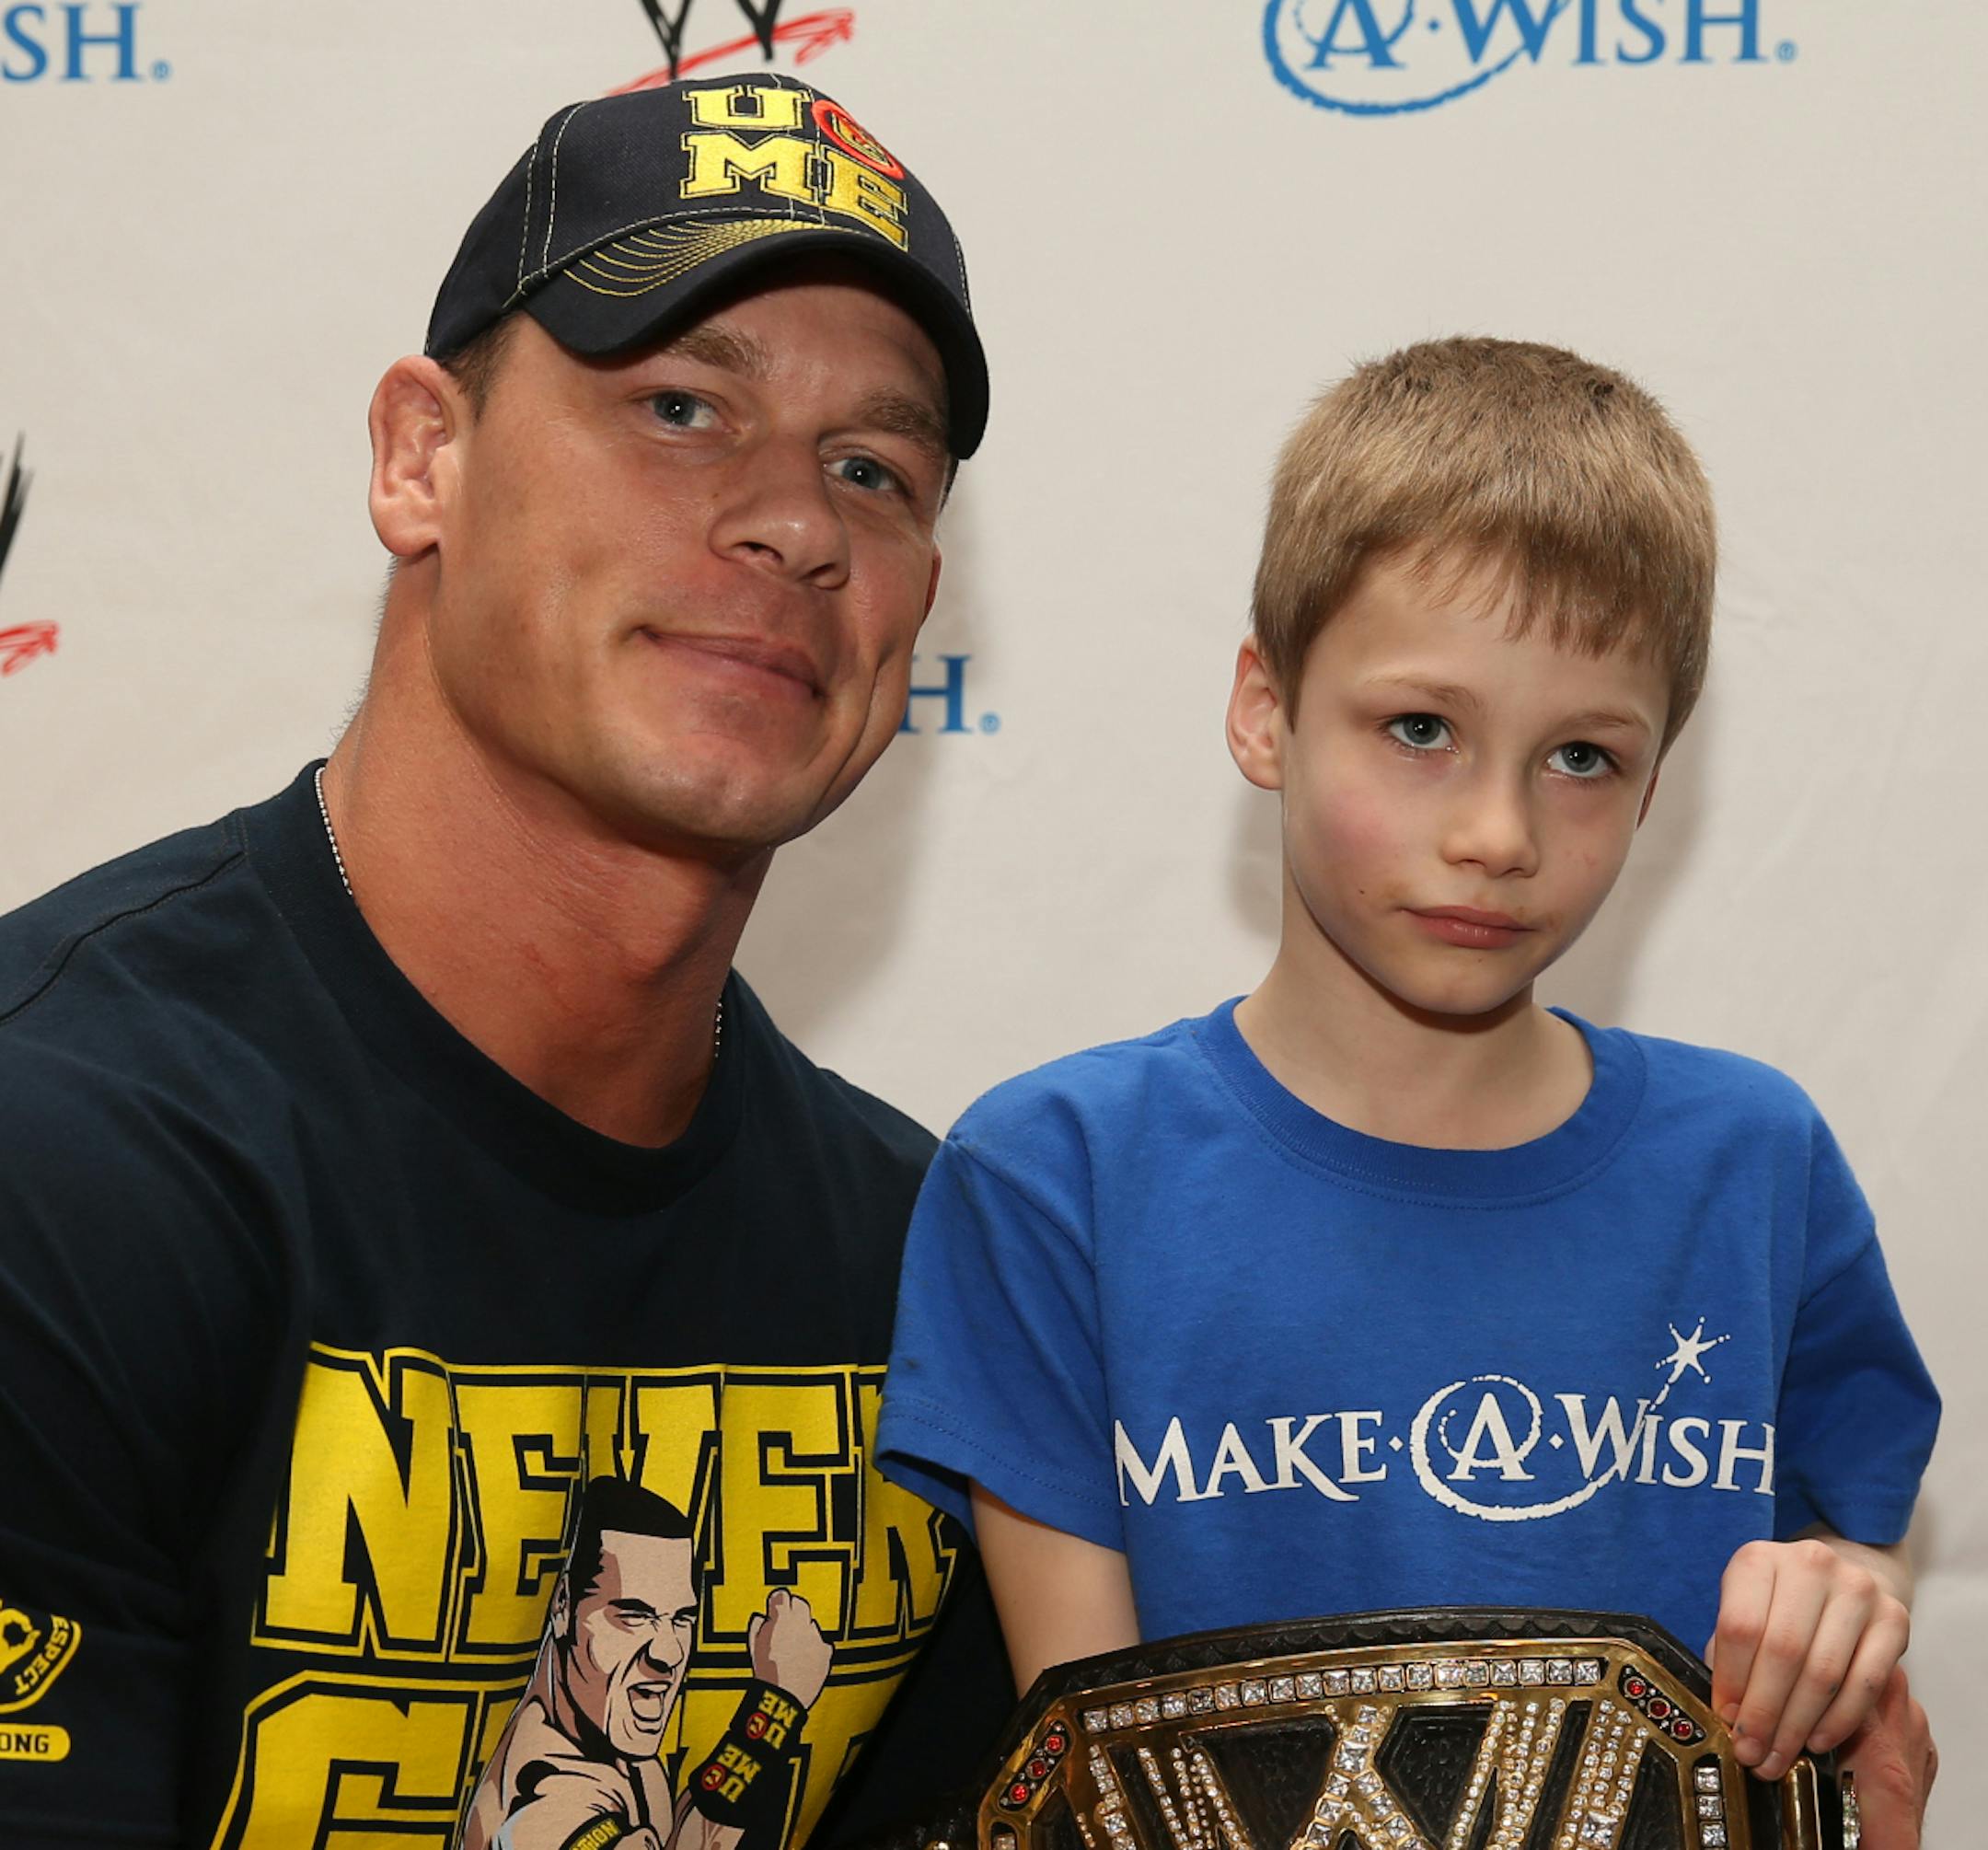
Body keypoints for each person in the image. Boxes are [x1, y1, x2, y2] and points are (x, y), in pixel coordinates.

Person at [0, 73, 1010, 1850]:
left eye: (874, 468)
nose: (796, 522)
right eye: (683, 407)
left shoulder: (930, 1266)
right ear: (423, 457)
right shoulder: (59, 1149)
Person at [876, 339, 1941, 1840]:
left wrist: (1846, 1603)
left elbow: (1854, 1568)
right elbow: (1097, 1772)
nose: (1499, 832)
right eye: (1422, 730)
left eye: (1582, 755)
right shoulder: (1057, 1176)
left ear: (1658, 780)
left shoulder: (1756, 1162)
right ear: (1265, 710)